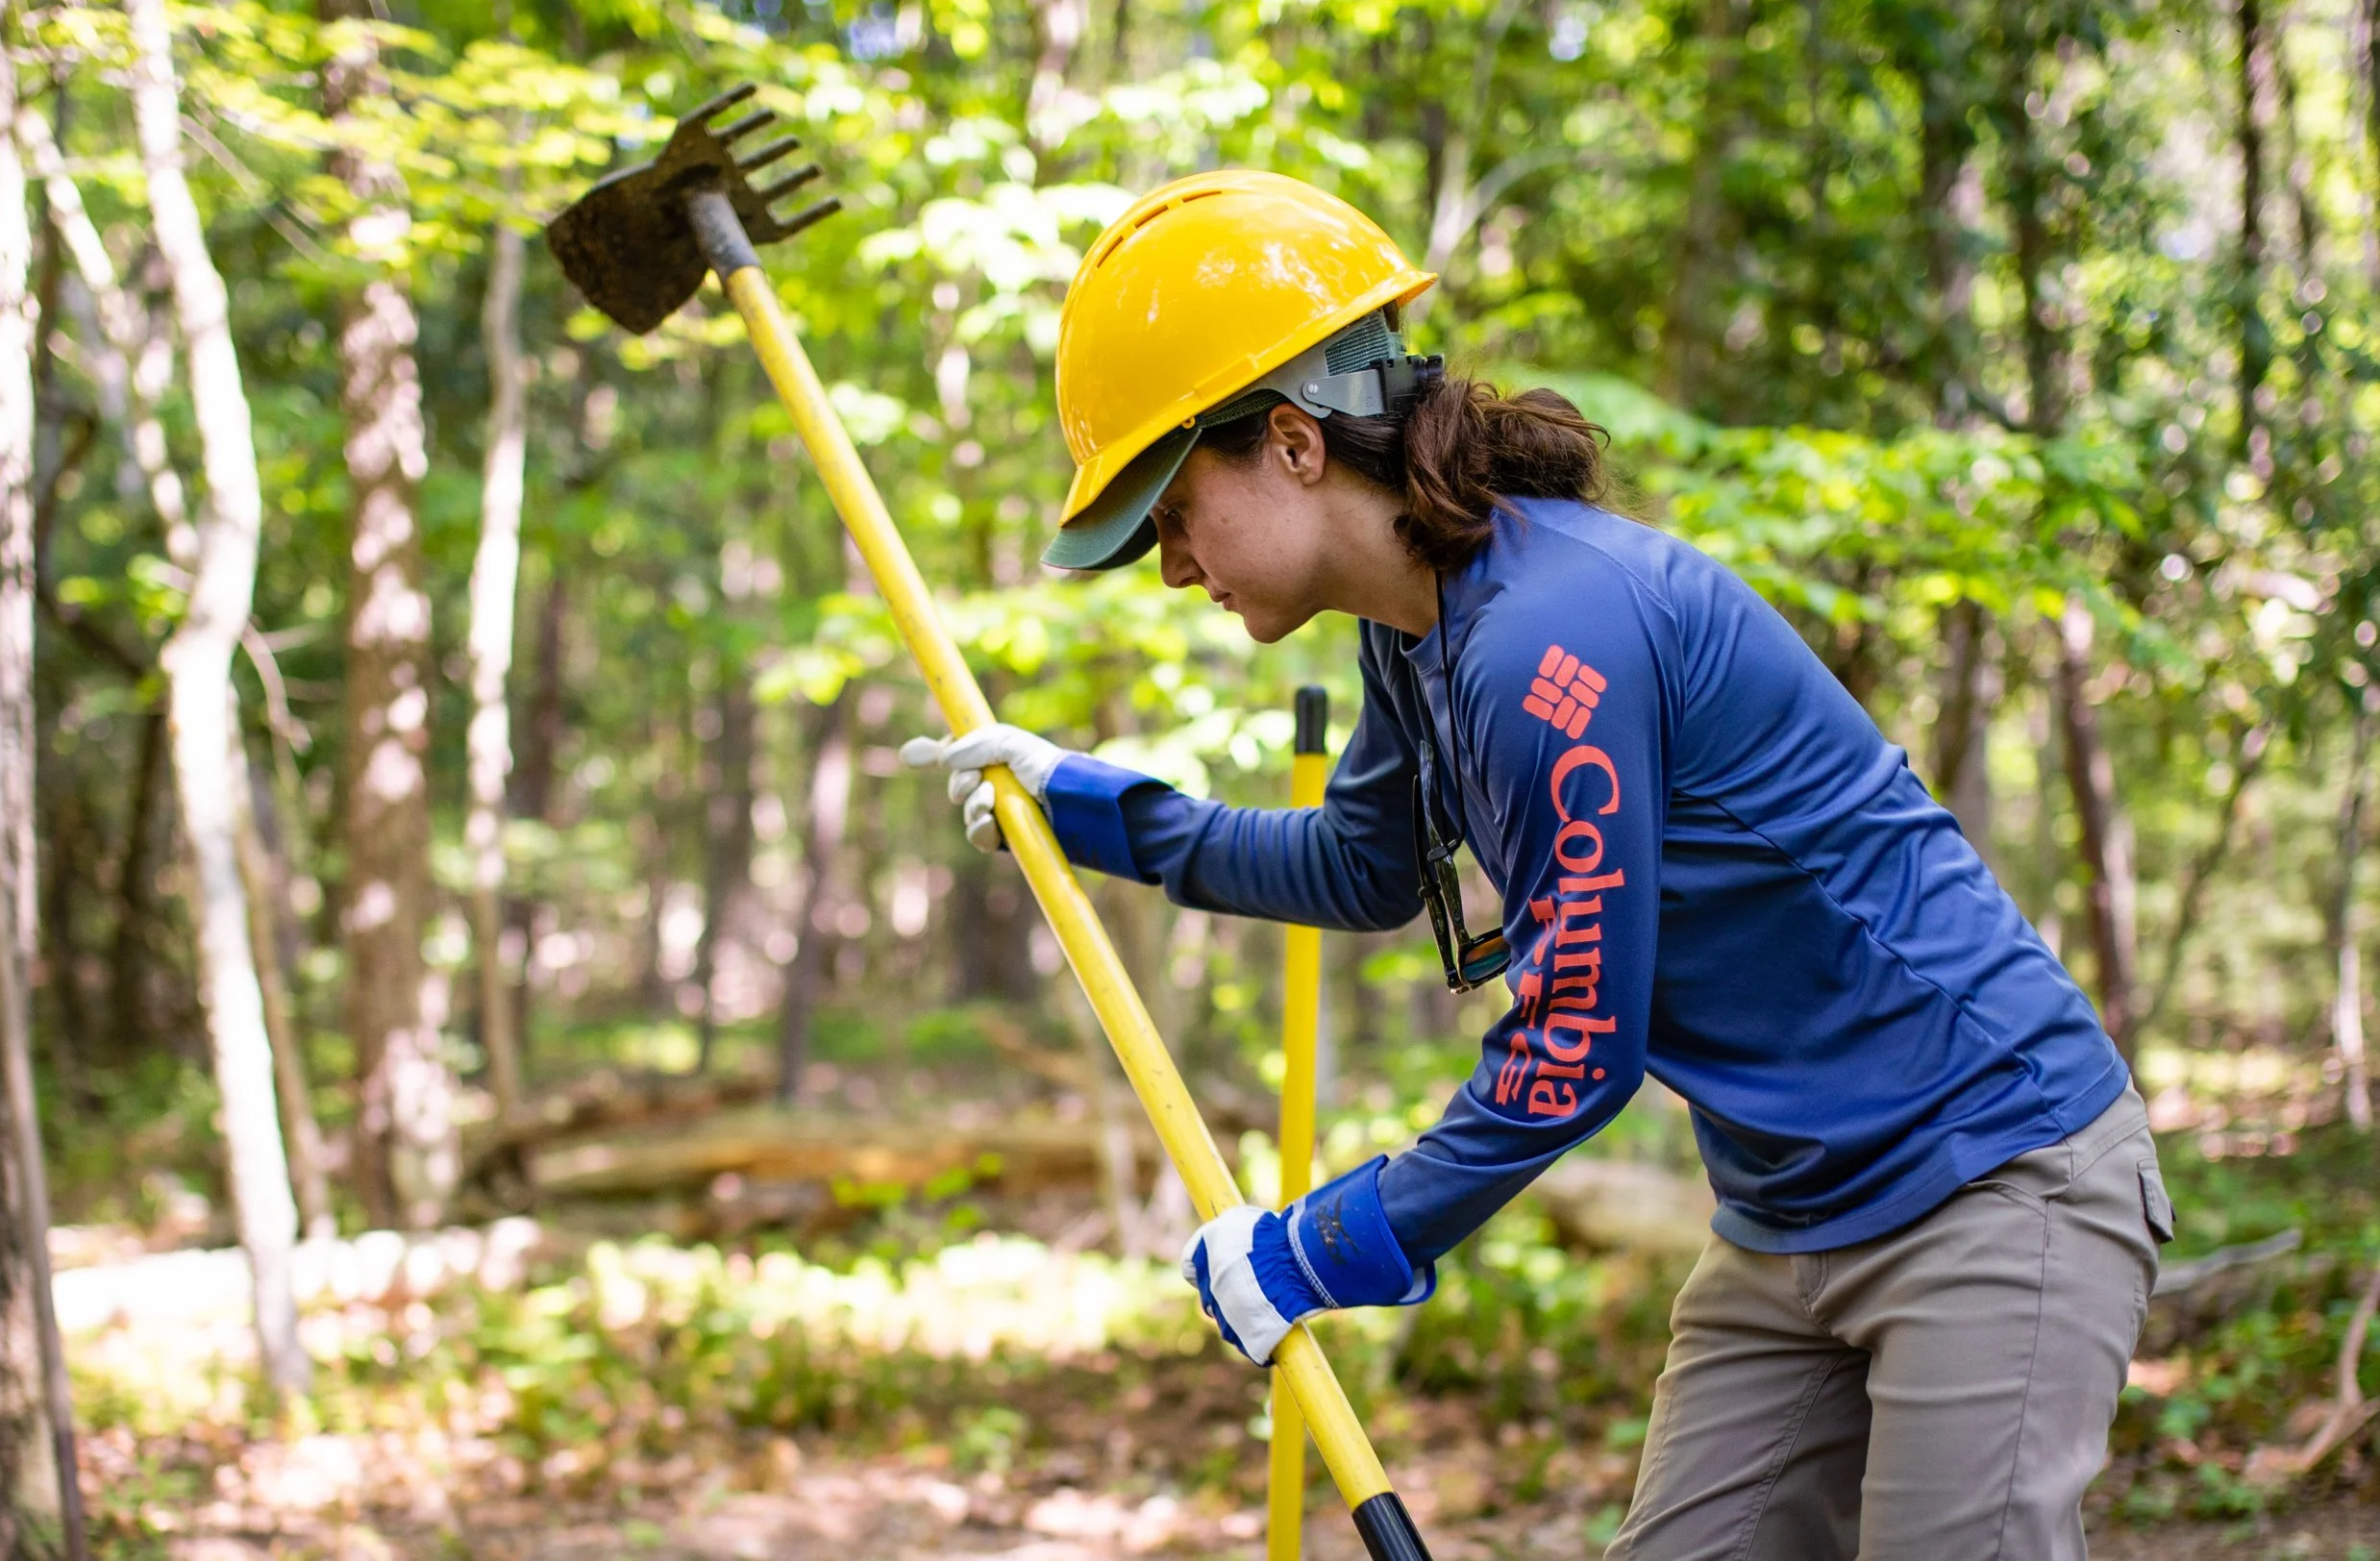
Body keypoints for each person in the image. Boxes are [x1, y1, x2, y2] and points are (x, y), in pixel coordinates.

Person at [902, 171, 2171, 1560]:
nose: (1168, 566)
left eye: (1171, 511)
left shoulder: (1542, 637)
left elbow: (1576, 1044)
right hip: (1791, 1209)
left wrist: (1324, 1246)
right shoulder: (1415, 628)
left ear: (1290, 443)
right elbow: (1365, 867)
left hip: (1993, 1168)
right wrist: (1091, 811)